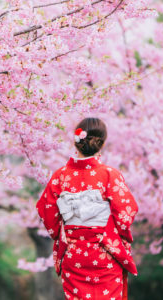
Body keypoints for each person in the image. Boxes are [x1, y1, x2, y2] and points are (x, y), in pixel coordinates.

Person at [36, 117, 139, 300]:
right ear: (102, 143)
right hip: (104, 252)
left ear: (76, 142)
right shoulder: (110, 175)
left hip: (74, 255)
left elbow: (47, 211)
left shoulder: (60, 176)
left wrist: (66, 231)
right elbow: (126, 213)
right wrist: (111, 233)